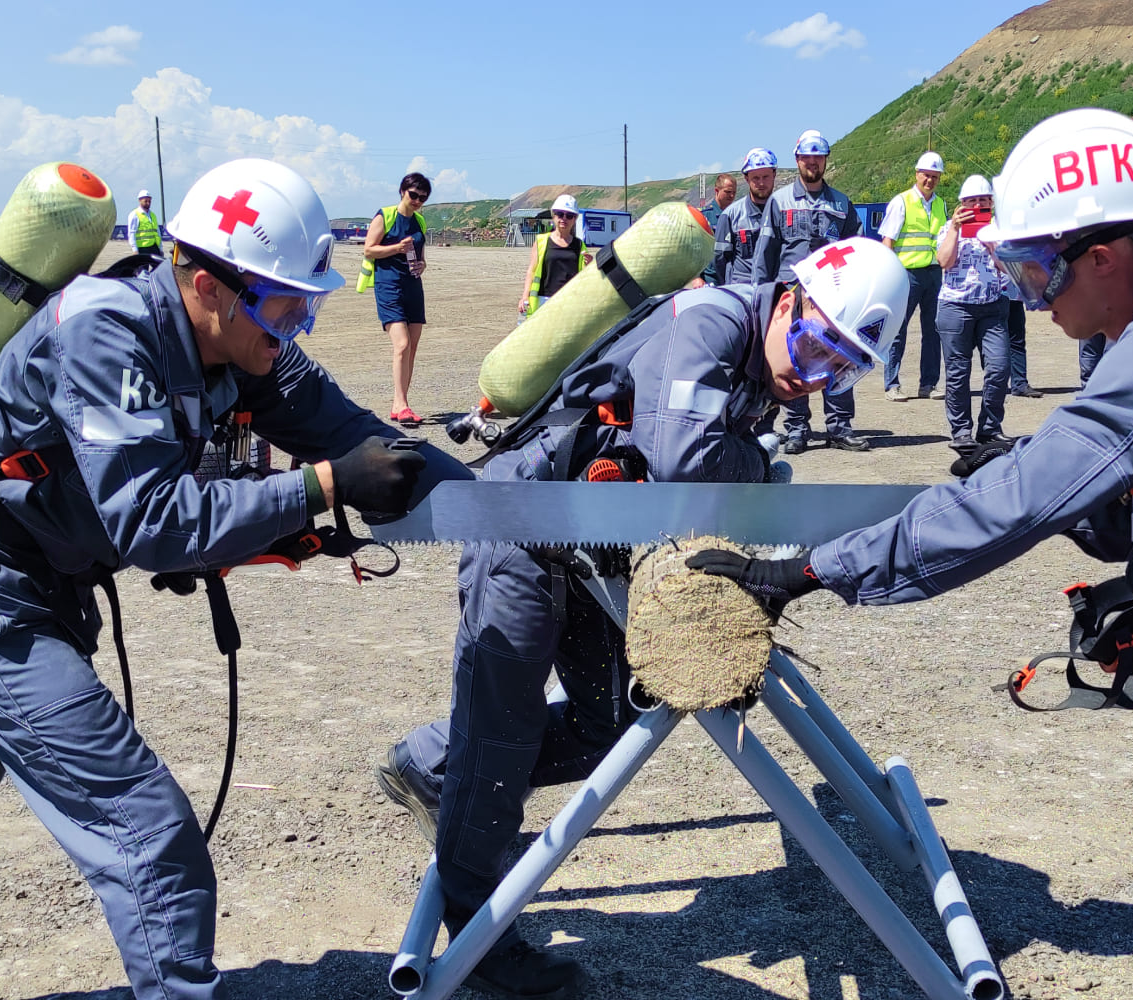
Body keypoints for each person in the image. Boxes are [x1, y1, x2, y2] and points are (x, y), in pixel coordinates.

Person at [688, 108, 1133, 1000]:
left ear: (1105, 256)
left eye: (1037, 270)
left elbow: (1010, 508)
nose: (1033, 297)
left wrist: (808, 570)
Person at [0, 158, 471, 1000]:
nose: (298, 327)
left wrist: (493, 505)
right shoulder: (105, 332)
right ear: (210, 284)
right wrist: (324, 486)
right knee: (149, 834)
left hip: (35, 582)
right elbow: (152, 524)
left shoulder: (249, 345)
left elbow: (357, 434)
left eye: (311, 307)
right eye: (287, 305)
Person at [376, 236, 907, 999]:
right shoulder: (714, 324)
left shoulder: (761, 356)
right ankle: (481, 938)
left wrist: (747, 468)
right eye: (817, 345)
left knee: (609, 722)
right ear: (790, 296)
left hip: (594, 543)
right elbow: (689, 470)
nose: (814, 376)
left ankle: (430, 765)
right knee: (501, 742)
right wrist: (759, 470)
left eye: (839, 368)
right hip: (524, 524)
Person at [754, 129, 867, 453]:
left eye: (818, 156)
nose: (813, 162)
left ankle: (840, 428)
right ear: (798, 159)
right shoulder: (779, 201)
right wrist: (762, 297)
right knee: (796, 361)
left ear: (825, 160)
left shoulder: (842, 204)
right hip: (792, 297)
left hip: (832, 302)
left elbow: (856, 250)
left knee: (838, 361)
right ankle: (797, 430)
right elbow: (766, 253)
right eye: (807, 156)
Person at [936, 174, 1010, 451]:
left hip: (992, 307)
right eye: (971, 201)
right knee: (957, 372)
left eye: (983, 200)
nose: (977, 205)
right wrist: (956, 229)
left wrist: (992, 244)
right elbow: (944, 261)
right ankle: (961, 430)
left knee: (1000, 367)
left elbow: (1007, 267)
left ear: (991, 202)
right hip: (955, 307)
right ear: (961, 204)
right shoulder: (947, 229)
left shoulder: (999, 230)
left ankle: (990, 428)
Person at [361, 173, 431, 425]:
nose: (417, 200)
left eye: (423, 197)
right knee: (401, 345)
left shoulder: (420, 221)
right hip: (388, 286)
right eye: (414, 195)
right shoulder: (386, 215)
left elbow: (421, 255)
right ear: (402, 191)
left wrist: (422, 265)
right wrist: (396, 248)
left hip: (413, 286)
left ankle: (399, 403)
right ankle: (401, 405)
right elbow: (369, 248)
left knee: (411, 349)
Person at [878, 151, 948, 401]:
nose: (930, 180)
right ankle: (892, 384)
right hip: (906, 274)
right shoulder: (902, 201)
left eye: (935, 176)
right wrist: (888, 276)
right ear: (917, 174)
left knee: (934, 330)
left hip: (933, 274)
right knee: (898, 330)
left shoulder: (940, 204)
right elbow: (888, 241)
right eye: (926, 175)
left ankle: (928, 384)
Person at [711, 148, 778, 286]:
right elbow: (720, 260)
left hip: (775, 291)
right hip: (742, 293)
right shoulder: (730, 216)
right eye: (755, 178)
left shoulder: (784, 212)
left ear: (774, 174)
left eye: (765, 177)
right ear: (746, 178)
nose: (761, 183)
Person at [520, 194, 592, 318]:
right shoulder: (541, 241)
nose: (564, 218)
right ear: (554, 216)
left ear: (575, 219)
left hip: (569, 301)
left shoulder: (580, 245)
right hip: (543, 300)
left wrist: (590, 265)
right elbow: (531, 271)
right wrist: (525, 296)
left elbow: (585, 275)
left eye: (569, 216)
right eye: (560, 214)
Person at [695, 172, 738, 286]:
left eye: (734, 192)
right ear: (717, 191)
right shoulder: (704, 216)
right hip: (710, 278)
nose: (732, 196)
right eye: (728, 192)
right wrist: (696, 277)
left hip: (732, 277)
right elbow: (694, 250)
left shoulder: (738, 215)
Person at [126, 189, 163, 258]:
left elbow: (157, 233)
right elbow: (131, 233)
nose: (148, 203)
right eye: (145, 201)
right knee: (143, 268)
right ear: (139, 200)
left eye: (149, 201)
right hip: (142, 248)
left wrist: (160, 248)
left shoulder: (153, 215)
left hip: (154, 247)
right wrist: (135, 250)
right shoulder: (134, 215)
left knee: (160, 267)